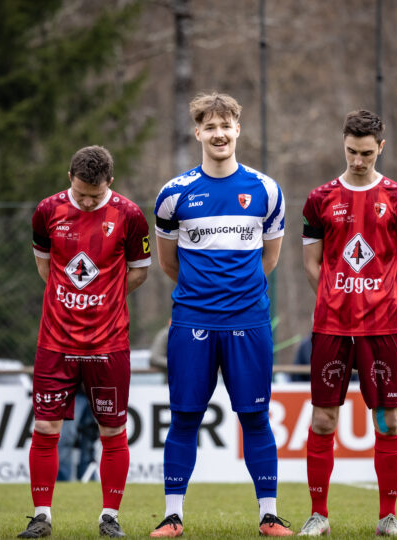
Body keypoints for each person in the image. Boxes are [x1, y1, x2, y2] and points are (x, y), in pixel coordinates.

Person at [151, 92, 292, 537]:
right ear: (197, 132)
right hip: (192, 321)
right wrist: (203, 296)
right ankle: (173, 516)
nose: (219, 134)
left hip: (248, 321)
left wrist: (237, 296)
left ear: (237, 130)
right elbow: (168, 263)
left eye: (225, 126)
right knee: (184, 418)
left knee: (255, 418)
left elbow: (269, 258)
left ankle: (269, 515)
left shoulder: (266, 190)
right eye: (210, 127)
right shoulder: (173, 195)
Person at [16, 146, 150, 538]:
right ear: (69, 179)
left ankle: (110, 517)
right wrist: (71, 300)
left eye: (95, 195)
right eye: (80, 194)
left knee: (112, 430)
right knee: (45, 427)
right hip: (55, 341)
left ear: (111, 182)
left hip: (108, 344)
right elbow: (45, 266)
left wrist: (104, 298)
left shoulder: (129, 215)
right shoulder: (47, 211)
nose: (87, 201)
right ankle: (41, 516)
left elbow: (139, 272)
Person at [298, 109, 397, 537]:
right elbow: (311, 265)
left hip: (384, 327)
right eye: (351, 151)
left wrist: (382, 298)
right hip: (331, 326)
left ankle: (388, 518)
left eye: (366, 153)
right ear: (343, 144)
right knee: (323, 421)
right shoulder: (319, 199)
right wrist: (335, 297)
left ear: (380, 147)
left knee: (387, 422)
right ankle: (318, 515)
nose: (357, 160)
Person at [56, 389, 99, 481]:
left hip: (96, 393)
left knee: (90, 439)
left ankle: (87, 479)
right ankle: (62, 481)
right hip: (72, 392)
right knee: (66, 438)